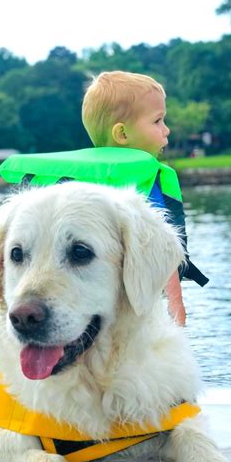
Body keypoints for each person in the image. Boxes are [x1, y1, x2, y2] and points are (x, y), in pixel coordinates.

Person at [82, 71, 208, 326]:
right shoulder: (145, 182)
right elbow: (162, 250)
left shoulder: (79, 184)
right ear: (123, 135)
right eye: (158, 121)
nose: (166, 129)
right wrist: (177, 309)